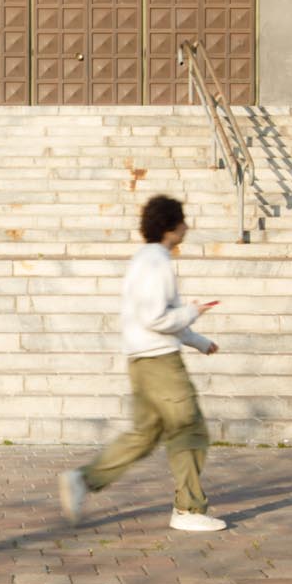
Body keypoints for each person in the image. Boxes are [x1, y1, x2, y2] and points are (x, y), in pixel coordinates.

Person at [57, 193, 227, 532]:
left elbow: (159, 318)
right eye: (182, 221)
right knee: (189, 429)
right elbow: (156, 318)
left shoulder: (143, 260)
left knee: (145, 435)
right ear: (170, 226)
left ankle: (83, 480)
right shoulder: (157, 262)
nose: (187, 227)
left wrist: (198, 341)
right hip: (160, 362)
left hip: (141, 360)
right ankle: (189, 510)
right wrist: (193, 311)